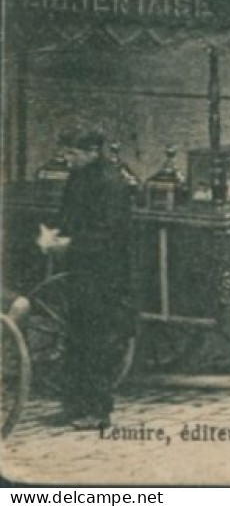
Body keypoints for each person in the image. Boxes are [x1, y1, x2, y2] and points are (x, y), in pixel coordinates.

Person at [37, 127, 137, 426]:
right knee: (76, 336)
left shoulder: (110, 182)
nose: (67, 158)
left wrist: (71, 244)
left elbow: (108, 234)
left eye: (73, 153)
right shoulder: (79, 176)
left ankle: (98, 411)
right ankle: (75, 406)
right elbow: (67, 214)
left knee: (99, 341)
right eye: (65, 152)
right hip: (81, 270)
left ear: (93, 152)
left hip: (106, 273)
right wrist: (51, 231)